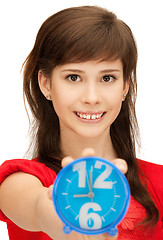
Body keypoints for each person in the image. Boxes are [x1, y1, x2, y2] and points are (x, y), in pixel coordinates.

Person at [0, 5, 162, 240]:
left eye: (108, 78)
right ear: (46, 84)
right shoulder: (21, 180)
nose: (92, 97)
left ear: (125, 86)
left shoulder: (158, 183)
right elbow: (38, 207)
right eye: (73, 77)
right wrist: (70, 222)